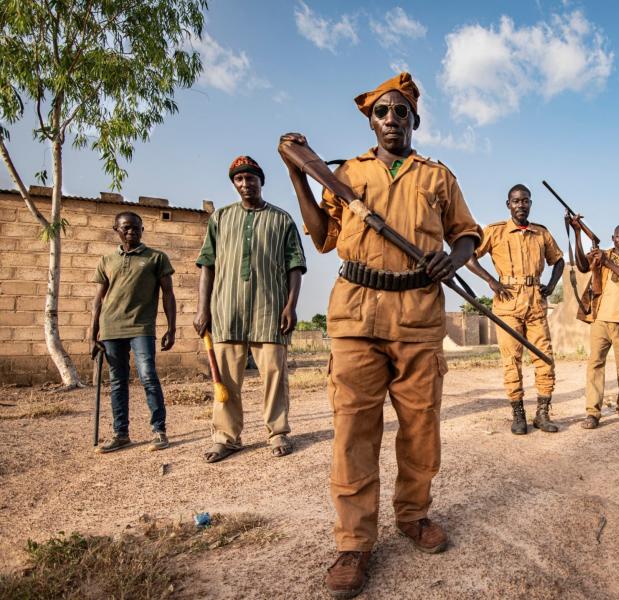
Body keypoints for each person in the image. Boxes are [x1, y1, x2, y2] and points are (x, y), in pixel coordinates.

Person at [278, 72, 482, 599]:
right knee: (354, 431)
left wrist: (451, 259)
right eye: (382, 112)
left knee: (420, 428)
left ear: (415, 119)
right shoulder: (347, 173)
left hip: (419, 312)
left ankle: (413, 515)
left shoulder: (438, 176)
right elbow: (322, 238)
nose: (392, 119)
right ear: (371, 120)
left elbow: (468, 234)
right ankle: (354, 542)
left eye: (401, 112)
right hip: (355, 316)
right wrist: (298, 176)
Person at [194, 155, 306, 463]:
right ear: (234, 184)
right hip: (227, 309)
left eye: (251, 178)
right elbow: (207, 265)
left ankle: (278, 432)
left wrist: (291, 306)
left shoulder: (281, 219)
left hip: (270, 309)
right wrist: (202, 309)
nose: (245, 184)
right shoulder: (220, 218)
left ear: (261, 181)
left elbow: (295, 266)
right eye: (239, 179)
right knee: (226, 377)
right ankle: (226, 437)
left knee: (274, 373)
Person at [465, 184, 564, 434]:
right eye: (516, 201)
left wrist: (551, 284)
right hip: (507, 303)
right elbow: (468, 256)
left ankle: (542, 414)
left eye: (525, 201)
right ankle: (518, 414)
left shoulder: (541, 233)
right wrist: (490, 280)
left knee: (544, 357)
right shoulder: (495, 231)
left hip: (535, 303)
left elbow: (559, 260)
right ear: (508, 204)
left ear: (531, 204)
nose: (521, 205)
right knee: (512, 360)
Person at [89, 211, 176, 453]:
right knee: (118, 381)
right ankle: (121, 434)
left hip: (141, 327)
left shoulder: (156, 258)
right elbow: (98, 300)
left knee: (148, 376)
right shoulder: (107, 260)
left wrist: (171, 328)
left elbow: (168, 294)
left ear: (142, 230)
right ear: (115, 229)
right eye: (126, 228)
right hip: (110, 328)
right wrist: (92, 333)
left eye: (136, 228)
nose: (131, 232)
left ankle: (159, 430)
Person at [568, 221, 619, 428]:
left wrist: (608, 263)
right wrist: (577, 233)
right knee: (595, 365)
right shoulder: (600, 254)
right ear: (612, 238)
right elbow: (583, 266)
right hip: (600, 319)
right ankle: (593, 413)